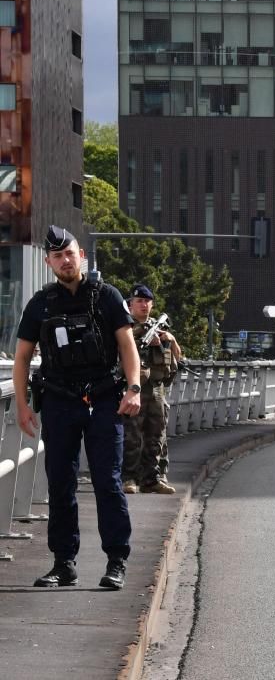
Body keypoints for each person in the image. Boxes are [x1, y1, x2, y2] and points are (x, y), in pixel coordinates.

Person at [12, 226, 142, 590]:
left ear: (81, 254)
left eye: (70, 253)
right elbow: (22, 358)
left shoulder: (107, 296)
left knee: (107, 482)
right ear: (48, 261)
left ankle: (116, 560)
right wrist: (22, 406)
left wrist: (134, 389)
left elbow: (127, 347)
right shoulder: (41, 303)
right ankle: (63, 564)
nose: (65, 261)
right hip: (58, 401)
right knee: (61, 484)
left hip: (104, 399)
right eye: (57, 256)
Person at [122, 284, 182, 495]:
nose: (144, 305)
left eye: (147, 301)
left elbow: (177, 359)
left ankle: (153, 478)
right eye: (139, 301)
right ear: (130, 304)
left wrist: (170, 340)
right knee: (131, 435)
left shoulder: (159, 328)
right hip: (133, 388)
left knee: (157, 435)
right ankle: (129, 477)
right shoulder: (124, 327)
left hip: (156, 388)